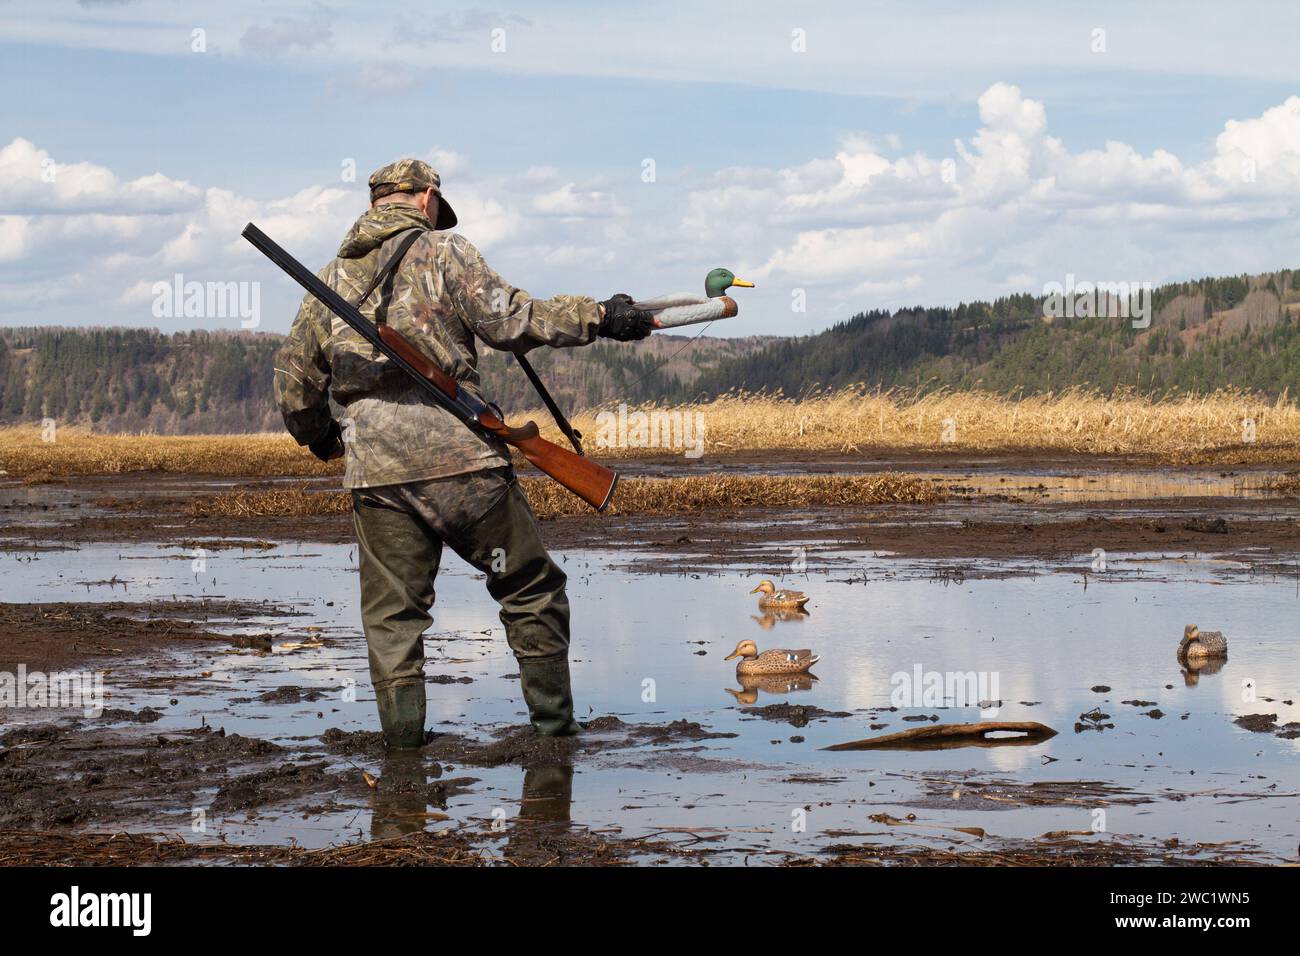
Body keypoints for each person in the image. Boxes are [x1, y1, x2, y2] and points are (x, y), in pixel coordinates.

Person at [274, 158, 654, 747]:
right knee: (528, 588)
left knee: (393, 618)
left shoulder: (328, 281)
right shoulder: (444, 253)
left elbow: (294, 387)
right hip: (465, 470)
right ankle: (555, 733)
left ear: (374, 203)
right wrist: (601, 316)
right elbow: (513, 322)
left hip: (378, 480)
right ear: (427, 199)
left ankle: (403, 752)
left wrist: (327, 439)